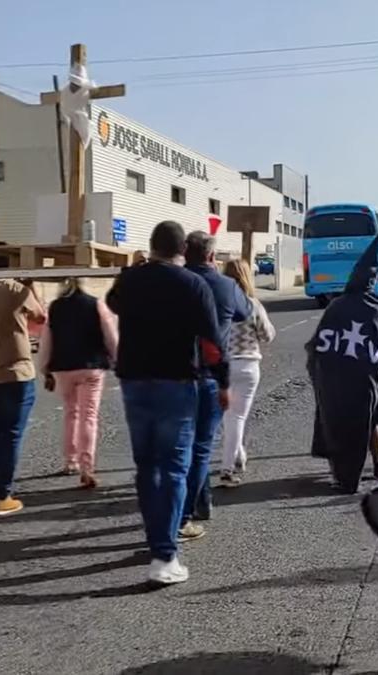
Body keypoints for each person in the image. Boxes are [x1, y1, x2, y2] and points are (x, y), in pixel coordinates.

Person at [107, 221, 227, 586]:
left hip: (134, 383)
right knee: (175, 467)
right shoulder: (193, 284)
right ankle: (164, 555)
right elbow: (212, 342)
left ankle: (157, 542)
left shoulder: (130, 280)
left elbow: (112, 302)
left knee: (147, 467)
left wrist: (135, 268)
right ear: (183, 250)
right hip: (176, 382)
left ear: (151, 246)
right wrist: (223, 382)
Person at [306, 231, 378, 493]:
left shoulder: (336, 305)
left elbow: (318, 344)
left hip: (336, 377)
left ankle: (340, 473)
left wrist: (318, 370)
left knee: (334, 419)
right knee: (371, 419)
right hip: (367, 378)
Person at [180, 231, 250, 538]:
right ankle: (185, 514)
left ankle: (201, 503)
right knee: (200, 448)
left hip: (173, 375)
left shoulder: (175, 282)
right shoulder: (225, 285)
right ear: (211, 256)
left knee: (180, 445)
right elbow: (244, 312)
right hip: (209, 374)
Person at [0, 250, 46, 517]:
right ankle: (1, 494)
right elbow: (40, 317)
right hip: (15, 370)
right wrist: (31, 285)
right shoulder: (15, 288)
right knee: (10, 432)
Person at [38, 276, 118, 489]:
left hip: (63, 367)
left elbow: (47, 340)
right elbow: (110, 335)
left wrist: (45, 368)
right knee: (88, 416)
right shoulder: (95, 304)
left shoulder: (55, 307)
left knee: (70, 413)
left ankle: (70, 461)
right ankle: (86, 467)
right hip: (91, 366)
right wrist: (117, 359)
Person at [218, 259, 275, 487]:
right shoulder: (252, 304)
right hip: (248, 365)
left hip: (222, 365)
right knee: (237, 416)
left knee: (228, 415)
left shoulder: (219, 304)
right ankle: (227, 468)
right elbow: (267, 335)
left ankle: (238, 453)